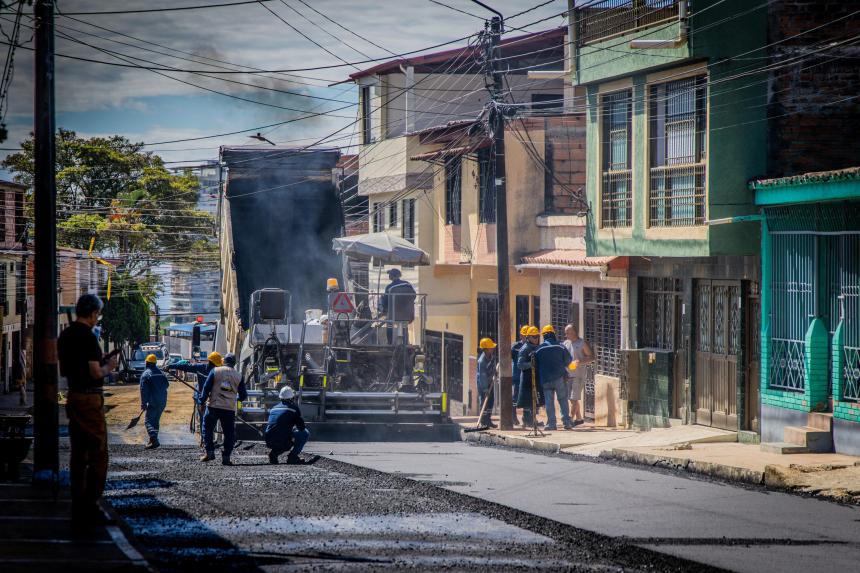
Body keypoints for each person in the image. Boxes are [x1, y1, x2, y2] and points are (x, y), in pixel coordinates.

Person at [58, 294, 118, 525]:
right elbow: (95, 372)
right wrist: (108, 367)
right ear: (93, 313)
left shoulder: (66, 335)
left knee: (79, 452)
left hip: (73, 395)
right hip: (90, 398)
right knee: (98, 453)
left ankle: (78, 502)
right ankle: (91, 503)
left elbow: (69, 368)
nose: (97, 318)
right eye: (98, 314)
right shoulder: (87, 337)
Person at [199, 352, 247, 465]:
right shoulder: (239, 376)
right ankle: (226, 457)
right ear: (234, 363)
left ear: (224, 361)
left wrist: (201, 401)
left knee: (207, 429)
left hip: (213, 406)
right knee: (229, 433)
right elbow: (243, 395)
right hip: (229, 408)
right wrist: (234, 399)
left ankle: (209, 452)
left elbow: (206, 388)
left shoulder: (215, 371)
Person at [172, 351, 221, 443]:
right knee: (208, 420)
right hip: (208, 399)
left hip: (205, 398)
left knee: (205, 420)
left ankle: (205, 439)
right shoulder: (217, 370)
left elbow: (186, 366)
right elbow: (186, 366)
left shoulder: (202, 368)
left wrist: (170, 366)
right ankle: (206, 440)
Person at [534, 325, 574, 430]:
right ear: (553, 334)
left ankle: (551, 424)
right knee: (563, 400)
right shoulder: (561, 346)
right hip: (559, 378)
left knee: (549, 402)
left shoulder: (539, 349)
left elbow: (535, 365)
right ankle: (566, 422)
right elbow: (568, 360)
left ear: (544, 336)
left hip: (545, 379)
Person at [265, 386, 313, 465]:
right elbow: (301, 428)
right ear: (291, 398)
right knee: (304, 433)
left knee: (281, 434)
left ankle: (274, 454)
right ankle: (293, 457)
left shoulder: (273, 408)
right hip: (282, 441)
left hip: (269, 440)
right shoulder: (293, 408)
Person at [563, 324, 594, 427]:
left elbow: (591, 357)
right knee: (572, 399)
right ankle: (579, 418)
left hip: (578, 375)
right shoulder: (566, 343)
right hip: (568, 374)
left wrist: (580, 362)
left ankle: (570, 420)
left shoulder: (582, 343)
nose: (566, 335)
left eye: (567, 332)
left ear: (573, 332)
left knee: (574, 398)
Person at [139, 353, 170, 449]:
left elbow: (143, 390)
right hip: (162, 401)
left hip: (153, 402)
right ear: (155, 363)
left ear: (147, 363)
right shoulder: (161, 373)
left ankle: (154, 439)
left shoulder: (146, 374)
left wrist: (143, 403)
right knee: (155, 421)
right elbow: (167, 385)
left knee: (148, 421)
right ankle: (152, 440)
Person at [516, 326, 543, 427]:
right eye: (534, 337)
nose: (536, 339)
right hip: (527, 378)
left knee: (534, 400)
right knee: (527, 401)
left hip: (535, 377)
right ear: (528, 337)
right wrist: (531, 364)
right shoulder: (524, 349)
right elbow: (520, 365)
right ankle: (527, 420)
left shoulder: (537, 347)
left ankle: (533, 420)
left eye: (537, 336)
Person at [510, 325, 530, 426]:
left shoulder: (531, 346)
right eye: (525, 335)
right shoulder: (515, 347)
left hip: (527, 375)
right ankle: (513, 417)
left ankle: (527, 418)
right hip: (517, 376)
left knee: (528, 397)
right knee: (516, 397)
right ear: (521, 335)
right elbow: (509, 358)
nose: (526, 338)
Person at [476, 337, 497, 428]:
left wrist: (495, 372)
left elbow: (493, 368)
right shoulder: (482, 361)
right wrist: (485, 389)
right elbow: (482, 376)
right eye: (491, 347)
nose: (493, 348)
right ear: (486, 349)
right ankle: (483, 421)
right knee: (484, 402)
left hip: (489, 382)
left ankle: (488, 420)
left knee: (491, 401)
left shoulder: (491, 357)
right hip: (482, 385)